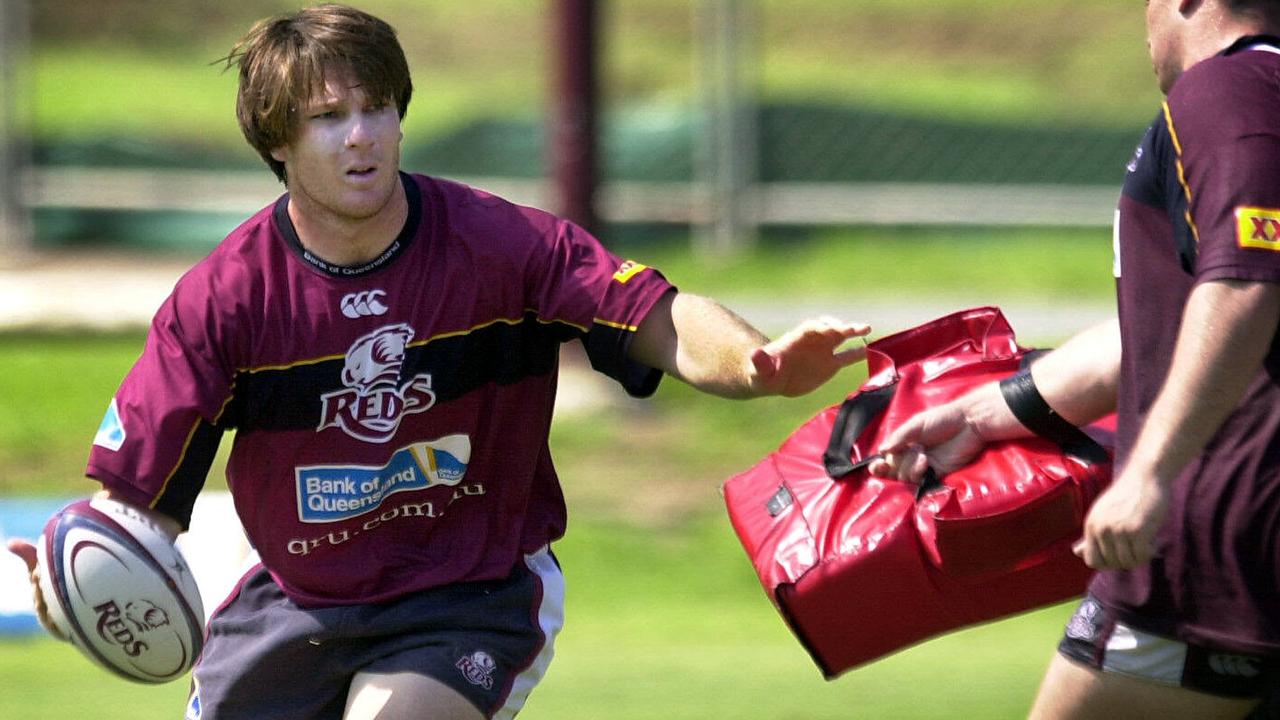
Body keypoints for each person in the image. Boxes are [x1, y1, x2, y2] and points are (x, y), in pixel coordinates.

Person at [5, 5, 871, 719]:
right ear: (277, 144)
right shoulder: (225, 301)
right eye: (326, 118)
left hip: (471, 589)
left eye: (376, 107)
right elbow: (132, 503)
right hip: (297, 599)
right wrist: (70, 564)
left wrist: (757, 364)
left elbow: (657, 317)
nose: (360, 137)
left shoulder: (502, 246)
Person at [868, 1, 1280, 717]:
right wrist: (989, 411)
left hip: (1216, 550)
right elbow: (1174, 327)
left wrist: (1149, 474)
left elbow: (1247, 283)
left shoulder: (1227, 90)